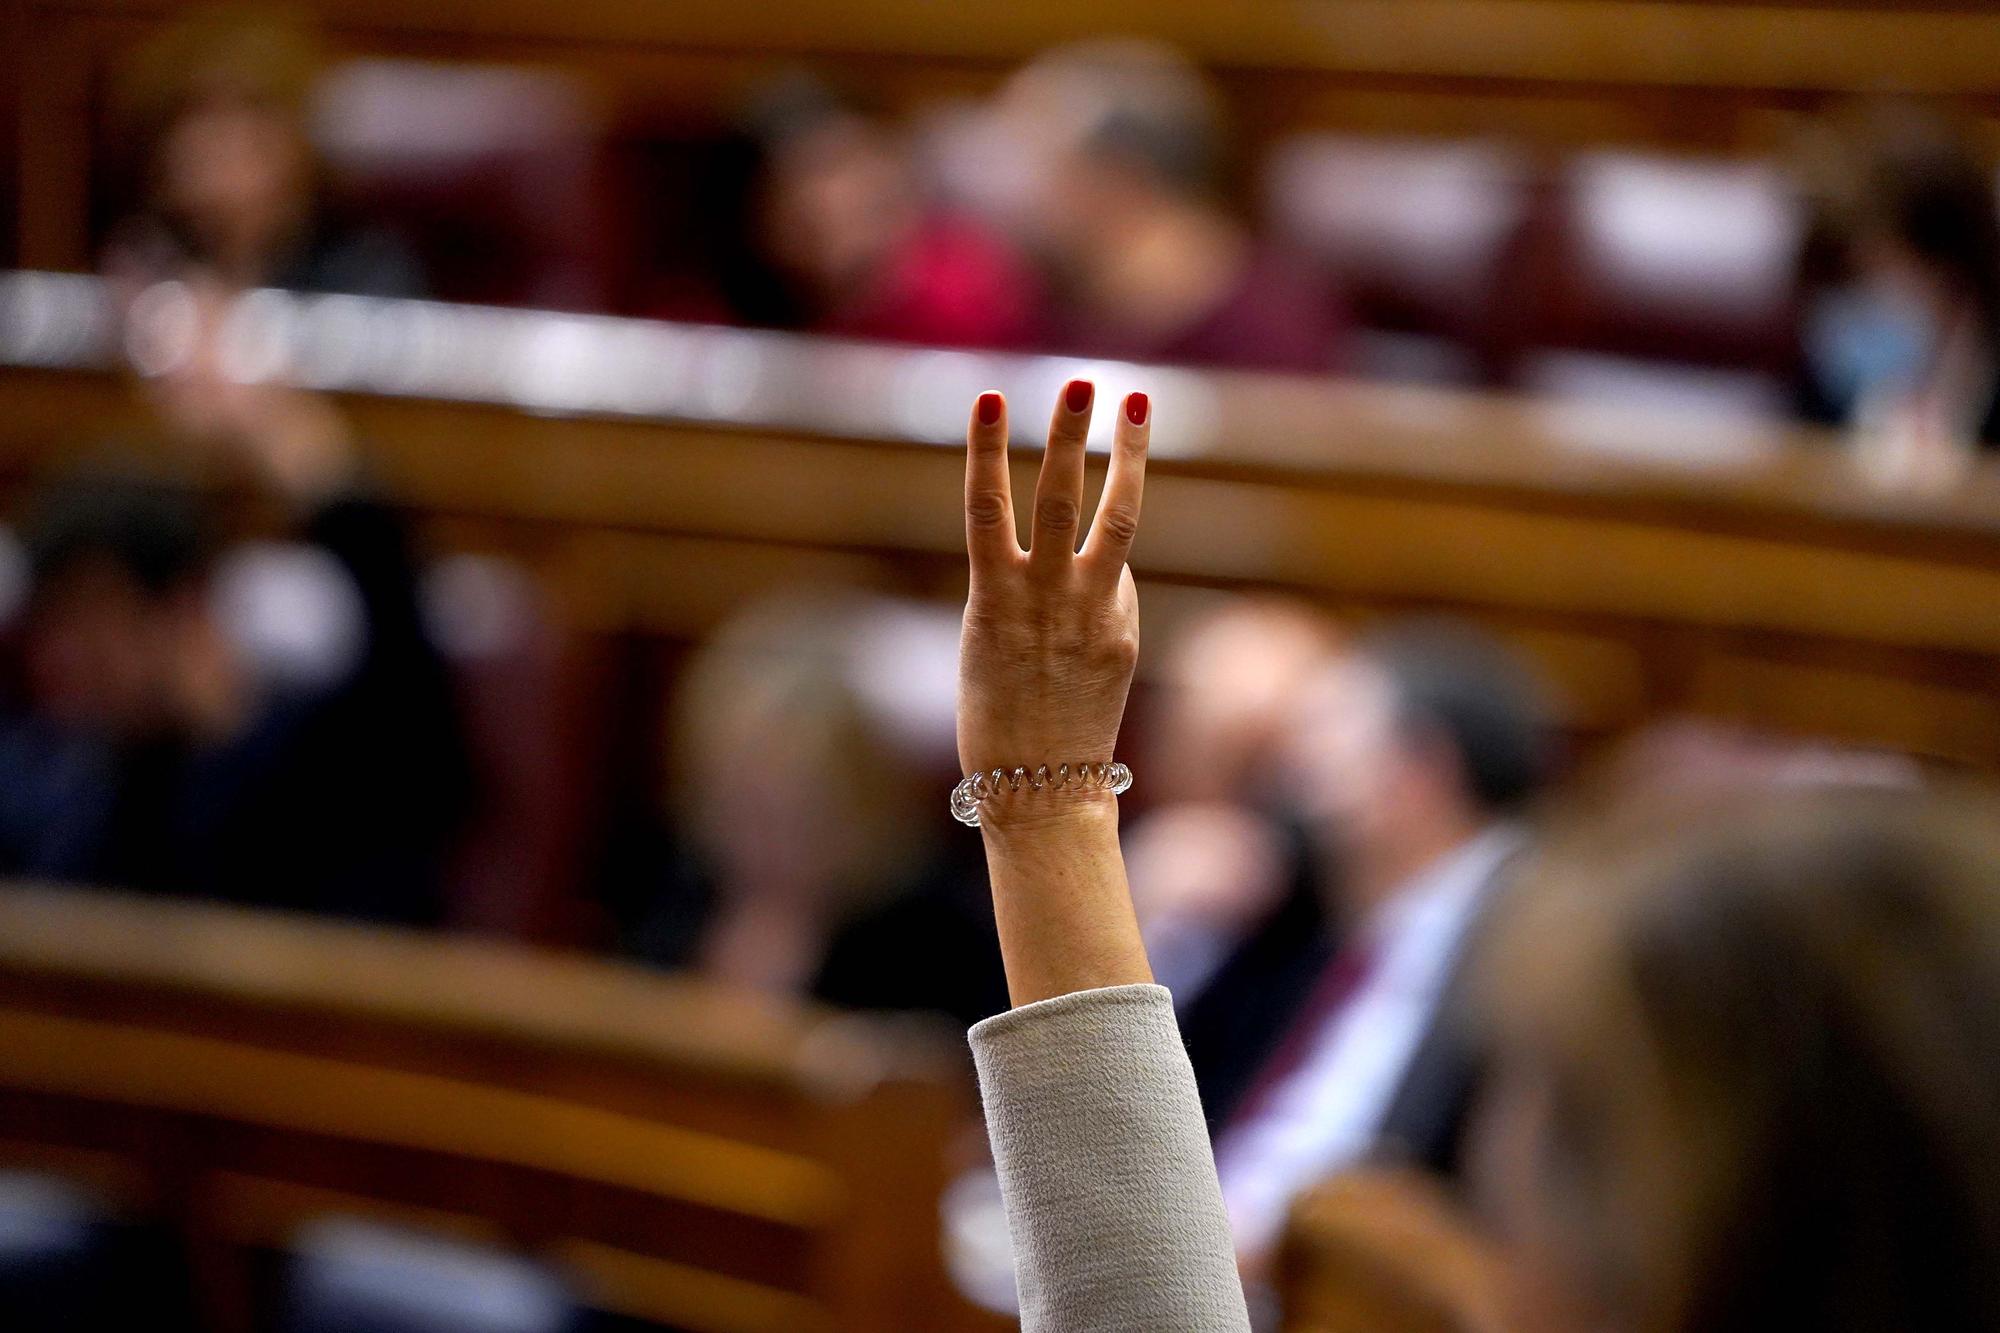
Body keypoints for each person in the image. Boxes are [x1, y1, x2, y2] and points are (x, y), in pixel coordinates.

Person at [955, 382, 2000, 1332]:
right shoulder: (1308, 909)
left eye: (1556, 1113)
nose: (1503, 1169)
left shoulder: (1503, 936)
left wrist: (1043, 797)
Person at [0, 301, 470, 921]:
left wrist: (300, 447)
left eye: (95, 623)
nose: (67, 660)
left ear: (184, 606)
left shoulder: (327, 765)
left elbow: (403, 660)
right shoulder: (75, 787)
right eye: (55, 628)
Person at [1212, 620, 1548, 1261]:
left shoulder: (1528, 931)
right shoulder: (1325, 912)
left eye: (1331, 729)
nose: (1296, 759)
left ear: (1421, 768)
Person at [976, 41, 1343, 372]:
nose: (1011, 191)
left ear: (1117, 177)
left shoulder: (1272, 329)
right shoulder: (1027, 302)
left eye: (1034, 160)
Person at [103, 6, 424, 299]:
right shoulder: (148, 255)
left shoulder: (365, 270)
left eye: (238, 117)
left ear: (293, 140)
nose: (203, 145)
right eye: (192, 115)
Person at [741, 77, 1043, 348]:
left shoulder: (968, 294)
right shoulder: (742, 305)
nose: (827, 199)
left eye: (842, 163)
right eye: (801, 176)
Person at [1794, 103, 2000, 469]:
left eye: (1880, 261)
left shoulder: (1987, 370)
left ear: (1943, 265)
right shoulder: (1829, 371)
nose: (1869, 287)